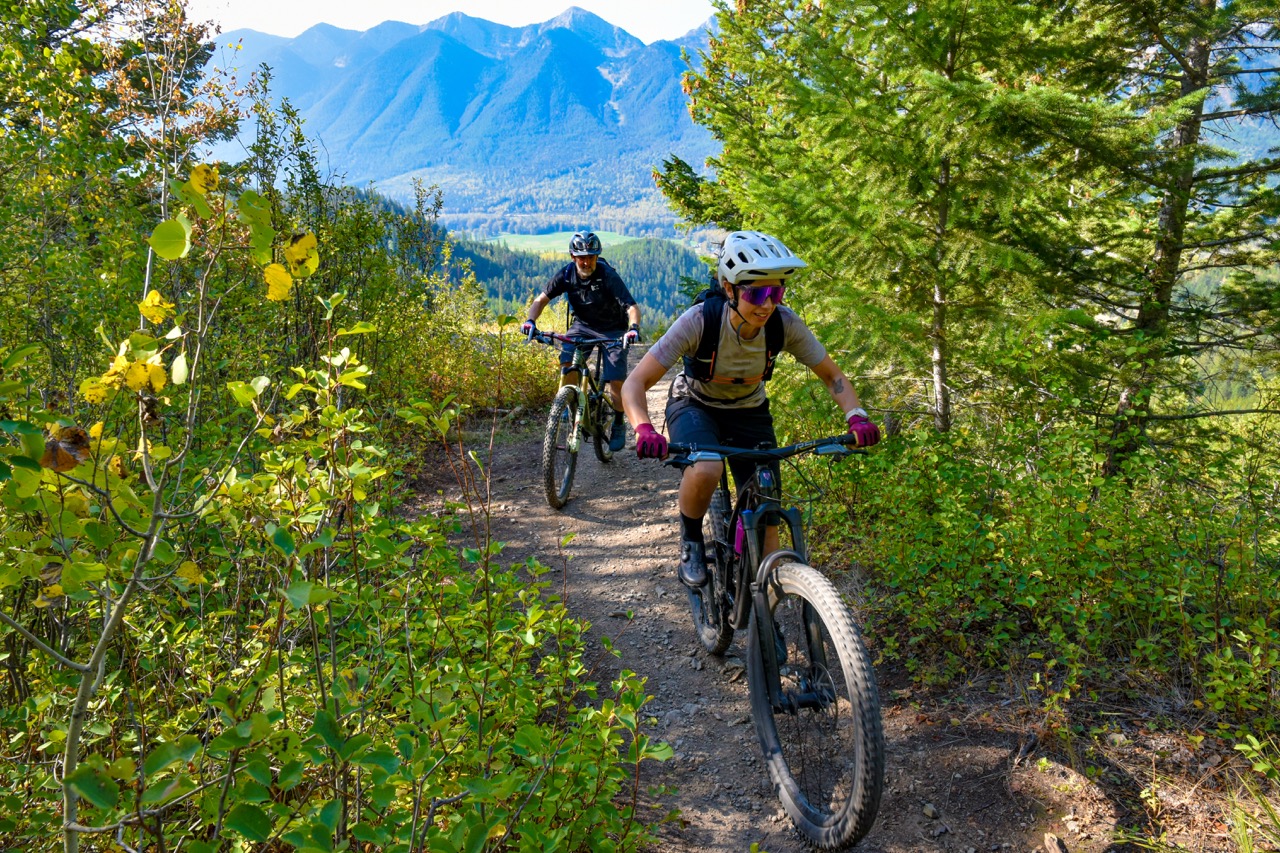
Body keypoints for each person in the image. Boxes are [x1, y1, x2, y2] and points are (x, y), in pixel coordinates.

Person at [620, 230, 880, 588]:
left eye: (776, 292)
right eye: (756, 292)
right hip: (695, 404)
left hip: (750, 411)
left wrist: (856, 416)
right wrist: (644, 429)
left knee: (767, 517)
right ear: (729, 288)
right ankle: (692, 541)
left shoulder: (783, 324)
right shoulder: (700, 321)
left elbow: (832, 376)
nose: (767, 304)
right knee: (707, 465)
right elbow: (635, 384)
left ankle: (767, 612)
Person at [522, 231, 641, 452]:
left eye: (591, 257)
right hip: (583, 326)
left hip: (613, 328)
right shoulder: (566, 275)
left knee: (615, 378)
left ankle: (617, 421)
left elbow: (632, 307)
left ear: (597, 257)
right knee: (567, 362)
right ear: (573, 257)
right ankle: (571, 400)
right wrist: (530, 321)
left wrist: (633, 328)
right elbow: (541, 300)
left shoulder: (607, 275)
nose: (586, 262)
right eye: (581, 257)